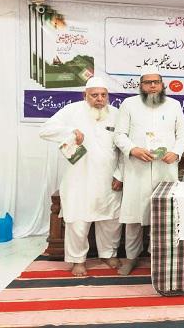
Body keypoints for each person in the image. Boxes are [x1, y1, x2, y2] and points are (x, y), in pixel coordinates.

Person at [39, 77, 123, 276]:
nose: (99, 99)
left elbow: (122, 147)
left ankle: (107, 254)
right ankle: (78, 260)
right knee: (78, 220)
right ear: (84, 95)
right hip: (79, 179)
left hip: (108, 178)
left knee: (111, 219)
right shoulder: (72, 111)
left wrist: (120, 174)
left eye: (103, 95)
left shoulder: (117, 114)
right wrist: (70, 131)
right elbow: (45, 130)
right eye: (94, 95)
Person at [114, 65, 184, 275]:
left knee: (163, 215)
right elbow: (119, 135)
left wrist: (176, 152)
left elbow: (183, 135)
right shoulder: (129, 105)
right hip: (137, 168)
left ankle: (159, 258)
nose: (153, 86)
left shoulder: (174, 105)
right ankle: (130, 258)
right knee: (133, 217)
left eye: (156, 82)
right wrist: (133, 149)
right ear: (141, 85)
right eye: (148, 82)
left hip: (166, 169)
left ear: (163, 84)